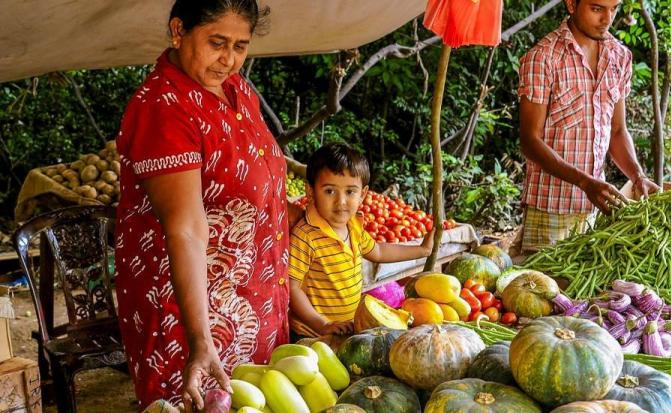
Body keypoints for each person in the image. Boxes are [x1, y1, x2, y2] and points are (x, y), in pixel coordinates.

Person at [114, 1, 288, 410]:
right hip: (192, 317)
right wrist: (200, 341)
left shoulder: (239, 91)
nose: (228, 60)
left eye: (240, 46)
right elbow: (186, 226)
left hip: (253, 298)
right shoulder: (163, 107)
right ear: (178, 31)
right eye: (217, 43)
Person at [516, 0, 659, 253]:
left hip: (594, 210)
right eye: (597, 9)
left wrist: (638, 177)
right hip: (550, 208)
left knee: (586, 291)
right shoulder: (543, 57)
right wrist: (585, 183)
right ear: (571, 4)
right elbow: (530, 140)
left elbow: (616, 131)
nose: (607, 19)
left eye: (614, 9)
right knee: (545, 290)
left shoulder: (619, 57)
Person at [288, 143, 435, 337]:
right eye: (329, 191)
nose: (341, 202)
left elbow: (379, 252)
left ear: (363, 194)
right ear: (310, 191)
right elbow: (292, 288)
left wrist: (421, 250)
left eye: (350, 192)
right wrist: (321, 324)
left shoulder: (354, 227)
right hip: (314, 334)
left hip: (347, 327)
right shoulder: (306, 236)